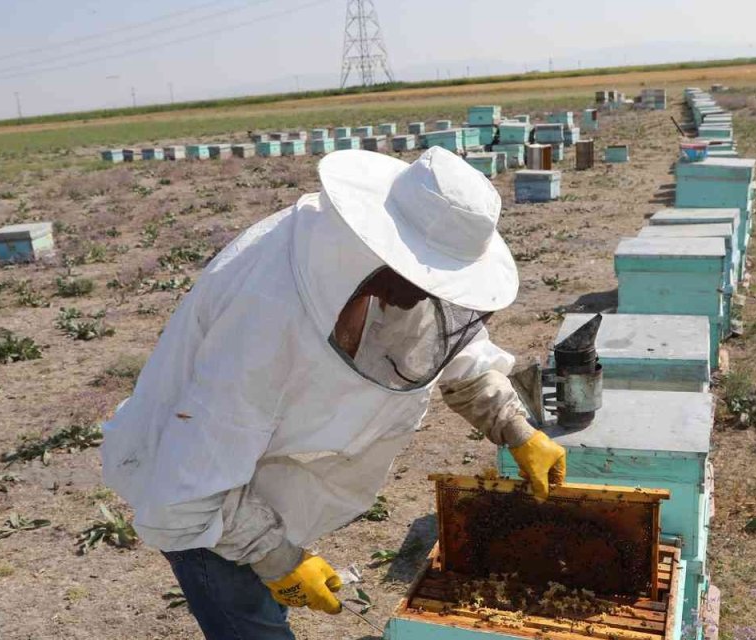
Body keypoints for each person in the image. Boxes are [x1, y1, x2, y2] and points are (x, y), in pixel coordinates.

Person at [101, 147, 567, 639]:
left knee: (265, 600)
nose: (434, 298)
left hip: (260, 474)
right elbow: (191, 484)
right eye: (429, 280)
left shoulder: (384, 274)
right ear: (389, 252)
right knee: (251, 624)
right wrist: (276, 556)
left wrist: (515, 428)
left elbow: (454, 351)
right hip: (198, 497)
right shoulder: (266, 314)